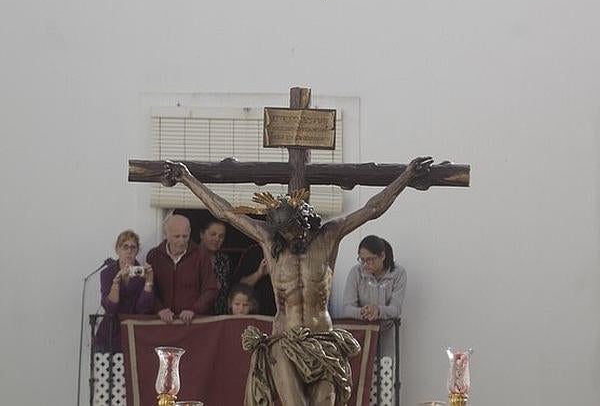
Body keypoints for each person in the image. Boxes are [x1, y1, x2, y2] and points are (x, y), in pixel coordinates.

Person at [160, 156, 433, 406]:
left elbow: (372, 208)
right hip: (284, 340)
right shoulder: (269, 240)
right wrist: (187, 178)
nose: (294, 238)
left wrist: (405, 178)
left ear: (308, 222)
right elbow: (226, 213)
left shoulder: (329, 236)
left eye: (299, 231)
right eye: (287, 234)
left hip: (323, 341)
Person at [342, 235, 405, 359]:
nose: (365, 264)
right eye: (362, 260)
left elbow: (396, 309)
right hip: (360, 335)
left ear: (382, 256)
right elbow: (346, 308)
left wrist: (378, 310)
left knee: (386, 372)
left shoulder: (398, 274)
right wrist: (363, 312)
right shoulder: (356, 272)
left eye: (370, 259)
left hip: (386, 332)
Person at [147, 213, 218, 324]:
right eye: (177, 236)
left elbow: (210, 289)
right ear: (166, 234)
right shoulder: (154, 256)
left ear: (190, 233)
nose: (181, 241)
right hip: (163, 323)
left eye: (185, 236)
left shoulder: (201, 255)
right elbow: (148, 287)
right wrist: (159, 309)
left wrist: (194, 310)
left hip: (192, 323)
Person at [95, 229, 155, 354]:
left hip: (133, 334)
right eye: (125, 247)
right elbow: (110, 308)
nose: (129, 251)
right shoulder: (108, 273)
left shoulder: (142, 272)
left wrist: (149, 281)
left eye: (133, 248)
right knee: (106, 373)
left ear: (137, 251)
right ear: (117, 250)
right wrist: (116, 282)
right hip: (110, 335)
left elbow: (143, 310)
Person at [199, 218, 232, 314]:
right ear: (202, 234)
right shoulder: (190, 257)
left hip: (219, 315)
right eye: (213, 234)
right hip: (195, 315)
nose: (217, 239)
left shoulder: (224, 260)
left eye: (221, 236)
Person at [233, 243, 276, 316]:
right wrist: (259, 273)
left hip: (282, 314)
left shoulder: (289, 253)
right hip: (253, 314)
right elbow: (239, 287)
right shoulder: (253, 252)